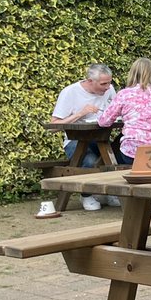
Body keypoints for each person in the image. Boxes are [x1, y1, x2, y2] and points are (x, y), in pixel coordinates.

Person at [97, 58, 151, 212]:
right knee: (136, 150)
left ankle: (127, 195)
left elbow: (104, 122)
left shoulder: (124, 94)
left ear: (132, 73)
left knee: (113, 154)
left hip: (135, 150)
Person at [51, 63, 118, 211]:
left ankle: (113, 191)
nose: (108, 87)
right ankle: (86, 195)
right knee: (90, 162)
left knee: (120, 154)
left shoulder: (110, 90)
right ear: (89, 81)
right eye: (103, 84)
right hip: (75, 140)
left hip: (102, 138)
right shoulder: (70, 92)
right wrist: (80, 114)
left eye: (109, 82)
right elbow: (54, 126)